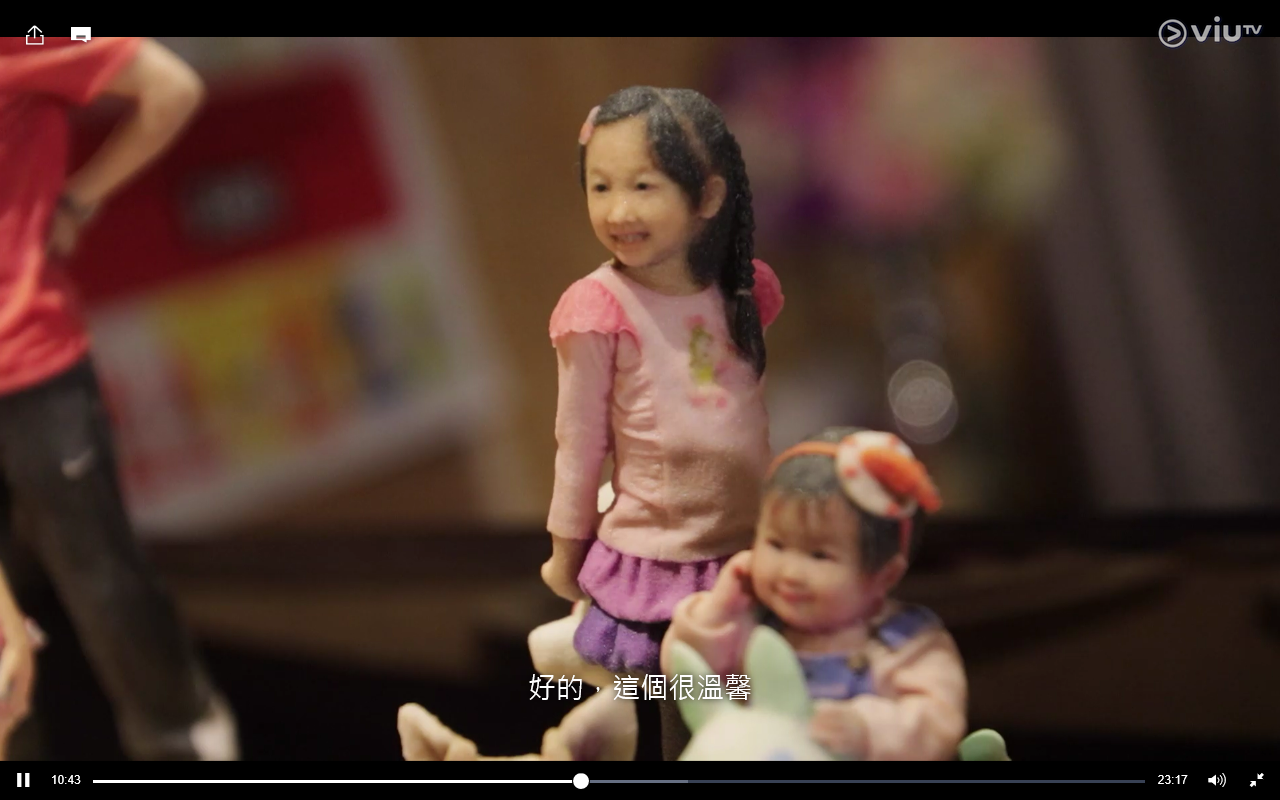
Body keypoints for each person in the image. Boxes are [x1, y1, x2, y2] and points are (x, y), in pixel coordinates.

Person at [0, 35, 237, 760]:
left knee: (103, 588)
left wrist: (77, 200)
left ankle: (184, 744)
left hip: (32, 365)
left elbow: (170, 86)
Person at [530, 86, 784, 759]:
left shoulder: (740, 289)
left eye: (642, 186)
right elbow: (579, 444)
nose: (618, 210)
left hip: (752, 549)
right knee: (688, 716)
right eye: (601, 186)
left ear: (707, 196)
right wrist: (567, 551)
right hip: (664, 561)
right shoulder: (597, 306)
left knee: (767, 707)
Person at [661, 427, 968, 760]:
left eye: (819, 555)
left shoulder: (906, 642)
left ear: (884, 574)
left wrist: (866, 730)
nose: (790, 573)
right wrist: (719, 612)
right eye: (776, 544)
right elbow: (689, 684)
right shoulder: (751, 622)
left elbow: (939, 722)